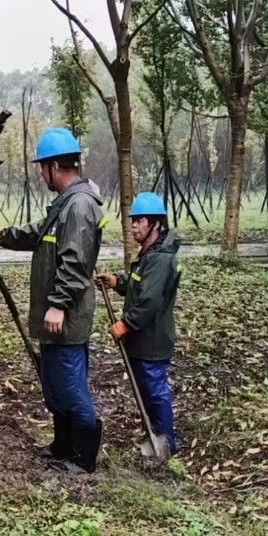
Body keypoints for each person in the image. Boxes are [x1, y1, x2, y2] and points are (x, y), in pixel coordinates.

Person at [0, 128, 105, 473]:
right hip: (54, 318)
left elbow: (76, 263)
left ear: (54, 166)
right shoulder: (65, 204)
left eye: (42, 167)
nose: (40, 174)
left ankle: (83, 458)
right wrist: (1, 235)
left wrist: (58, 304)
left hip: (66, 317)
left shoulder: (79, 206)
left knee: (70, 385)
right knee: (54, 386)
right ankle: (62, 446)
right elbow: (38, 233)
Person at [97, 192, 182, 454]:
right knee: (145, 392)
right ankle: (153, 434)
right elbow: (138, 285)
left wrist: (126, 323)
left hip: (152, 340)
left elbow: (148, 301)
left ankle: (166, 443)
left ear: (155, 224)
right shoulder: (149, 254)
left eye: (140, 220)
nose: (133, 224)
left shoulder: (160, 258)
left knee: (154, 393)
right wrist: (117, 281)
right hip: (143, 340)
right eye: (133, 219)